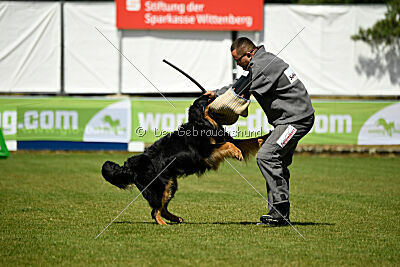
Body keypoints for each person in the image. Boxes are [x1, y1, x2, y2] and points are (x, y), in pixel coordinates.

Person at [205, 37, 315, 226]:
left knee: (267, 156)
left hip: (296, 120)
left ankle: (279, 212)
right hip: (291, 119)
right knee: (277, 161)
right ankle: (278, 214)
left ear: (248, 54)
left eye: (238, 61)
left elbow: (241, 90)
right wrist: (216, 92)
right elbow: (243, 82)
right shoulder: (263, 62)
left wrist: (218, 99)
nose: (239, 65)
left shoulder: (263, 65)